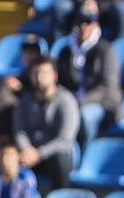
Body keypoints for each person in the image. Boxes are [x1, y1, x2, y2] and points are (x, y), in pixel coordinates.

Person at [9, 55, 80, 191]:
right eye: (35, 73)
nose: (39, 77)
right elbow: (20, 131)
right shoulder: (25, 101)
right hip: (30, 152)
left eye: (44, 73)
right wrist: (26, 149)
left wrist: (39, 154)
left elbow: (65, 139)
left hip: (53, 153)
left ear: (54, 75)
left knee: (61, 159)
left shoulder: (66, 101)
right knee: (7, 156)